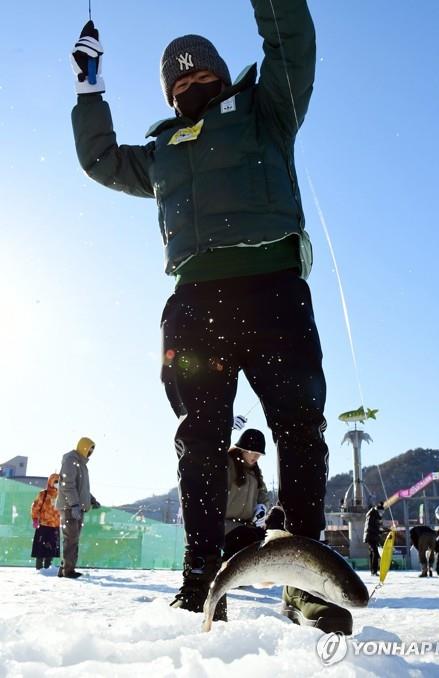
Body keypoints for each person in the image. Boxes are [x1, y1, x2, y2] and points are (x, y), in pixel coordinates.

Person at [69, 2, 346, 632]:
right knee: (200, 439)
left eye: (202, 76)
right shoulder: (163, 148)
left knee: (300, 428)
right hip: (196, 303)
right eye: (178, 81)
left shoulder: (266, 110)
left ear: (222, 76)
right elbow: (102, 161)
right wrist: (90, 88)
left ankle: (305, 582)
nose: (191, 84)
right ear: (168, 92)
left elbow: (291, 44)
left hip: (273, 287)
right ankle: (199, 580)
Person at [56, 437, 101, 578]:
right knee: (71, 539)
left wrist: (91, 500)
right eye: (89, 449)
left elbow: (82, 488)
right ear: (83, 447)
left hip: (77, 507)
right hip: (70, 507)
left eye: (92, 450)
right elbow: (67, 484)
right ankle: (68, 571)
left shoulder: (81, 463)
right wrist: (74, 504)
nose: (90, 453)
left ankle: (65, 569)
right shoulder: (70, 460)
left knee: (73, 539)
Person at [223, 429, 269, 561]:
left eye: (259, 454)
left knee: (266, 541)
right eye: (252, 452)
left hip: (246, 525)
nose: (255, 457)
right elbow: (212, 453)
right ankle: (224, 575)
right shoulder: (228, 464)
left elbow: (263, 495)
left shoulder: (255, 472)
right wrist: (228, 427)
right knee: (243, 541)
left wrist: (262, 507)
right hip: (225, 524)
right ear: (242, 449)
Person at [30, 473, 61, 570]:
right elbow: (35, 506)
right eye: (55, 481)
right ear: (50, 481)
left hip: (55, 525)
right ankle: (39, 569)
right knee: (40, 548)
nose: (57, 483)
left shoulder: (61, 495)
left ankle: (48, 569)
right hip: (43, 525)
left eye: (59, 482)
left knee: (51, 549)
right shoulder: (43, 494)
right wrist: (35, 518)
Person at [363, 502, 384, 575]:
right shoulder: (372, 516)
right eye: (380, 511)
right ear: (377, 510)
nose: (382, 513)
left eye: (382, 512)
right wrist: (379, 531)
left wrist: (383, 530)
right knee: (375, 553)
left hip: (373, 536)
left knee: (372, 553)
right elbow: (370, 528)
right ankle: (374, 571)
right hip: (370, 537)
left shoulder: (375, 516)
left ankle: (373, 571)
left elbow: (377, 527)